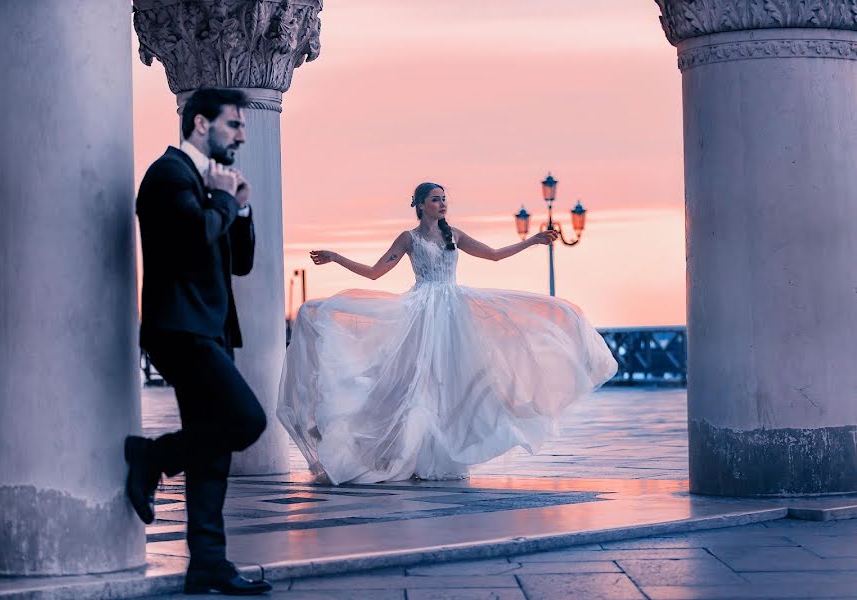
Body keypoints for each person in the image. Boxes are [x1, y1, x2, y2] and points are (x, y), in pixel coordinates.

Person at [278, 182, 618, 485]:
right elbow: (374, 274)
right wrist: (336, 257)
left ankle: (441, 457)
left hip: (454, 313)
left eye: (444, 199)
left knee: (451, 386)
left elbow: (495, 255)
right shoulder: (408, 238)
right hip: (421, 314)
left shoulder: (453, 234)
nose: (442, 204)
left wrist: (533, 240)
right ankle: (369, 444)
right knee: (407, 384)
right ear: (420, 204)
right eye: (436, 199)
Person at [125, 88, 272, 595]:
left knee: (213, 451)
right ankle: (152, 456)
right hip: (180, 327)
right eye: (234, 124)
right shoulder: (168, 174)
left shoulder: (209, 181)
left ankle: (208, 562)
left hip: (209, 327)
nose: (241, 135)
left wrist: (241, 208)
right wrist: (224, 200)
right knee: (246, 420)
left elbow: (240, 261)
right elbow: (191, 238)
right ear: (201, 124)